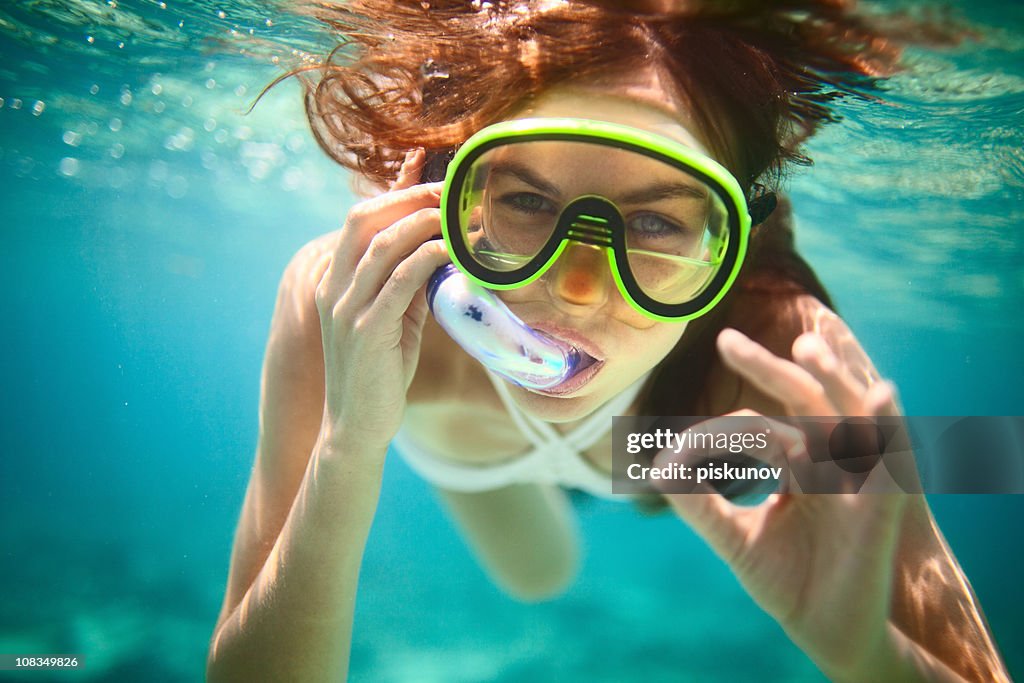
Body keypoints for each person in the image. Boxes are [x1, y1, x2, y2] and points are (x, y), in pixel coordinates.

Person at [206, 1, 1011, 680]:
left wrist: (874, 658)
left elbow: (971, 521)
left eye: (657, 221)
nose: (580, 287)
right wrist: (348, 447)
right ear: (450, 191)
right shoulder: (352, 300)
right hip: (479, 441)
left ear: (729, 244)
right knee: (538, 575)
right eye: (525, 200)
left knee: (933, 452)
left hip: (667, 451)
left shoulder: (781, 352)